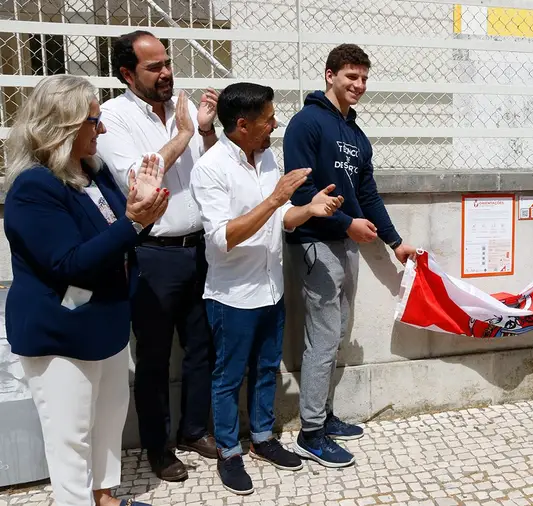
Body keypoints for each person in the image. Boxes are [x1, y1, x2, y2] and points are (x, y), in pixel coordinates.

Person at [4, 74, 168, 506]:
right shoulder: (33, 188)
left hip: (106, 323)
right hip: (61, 331)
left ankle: (104, 496)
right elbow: (68, 262)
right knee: (70, 434)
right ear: (64, 125)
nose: (104, 128)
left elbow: (117, 237)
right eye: (94, 120)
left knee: (109, 419)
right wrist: (134, 221)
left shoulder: (93, 173)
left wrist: (143, 212)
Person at [190, 82, 345, 495]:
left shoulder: (267, 158)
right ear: (242, 125)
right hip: (232, 295)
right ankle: (228, 451)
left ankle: (262, 438)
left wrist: (306, 209)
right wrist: (277, 199)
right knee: (227, 377)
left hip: (271, 290)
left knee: (265, 370)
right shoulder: (210, 168)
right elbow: (224, 236)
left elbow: (280, 220)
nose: (275, 124)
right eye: (268, 119)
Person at [282, 43, 418, 467]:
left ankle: (322, 414)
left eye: (363, 78)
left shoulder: (356, 135)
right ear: (329, 76)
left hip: (347, 244)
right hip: (315, 243)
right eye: (350, 77)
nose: (358, 85)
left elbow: (367, 194)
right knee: (322, 338)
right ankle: (310, 433)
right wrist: (346, 225)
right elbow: (301, 192)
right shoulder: (306, 124)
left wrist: (395, 242)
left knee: (337, 332)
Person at [96, 30, 220, 481]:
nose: (167, 72)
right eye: (155, 67)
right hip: (153, 253)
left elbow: (210, 169)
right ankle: (157, 447)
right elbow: (140, 175)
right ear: (128, 73)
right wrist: (184, 134)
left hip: (198, 247)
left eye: (167, 62)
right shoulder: (113, 117)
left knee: (201, 346)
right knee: (152, 357)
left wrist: (203, 131)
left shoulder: (182, 110)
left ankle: (194, 429)